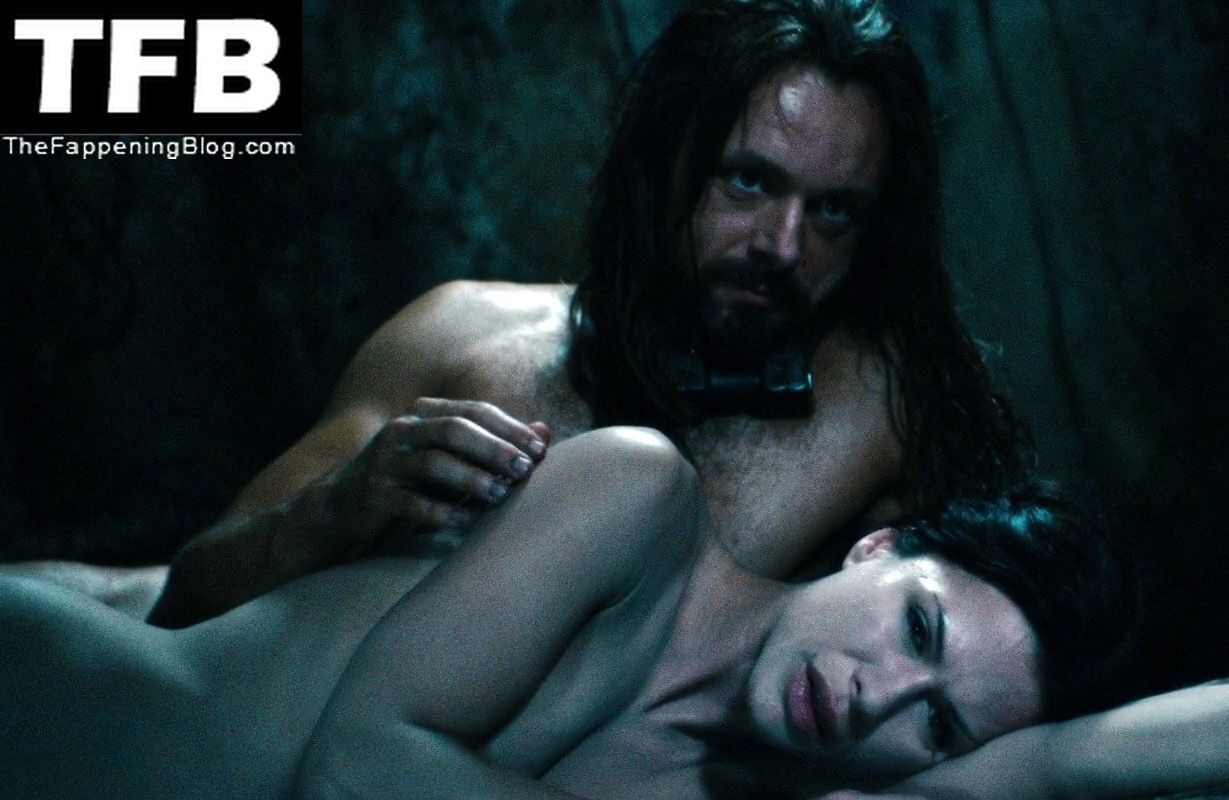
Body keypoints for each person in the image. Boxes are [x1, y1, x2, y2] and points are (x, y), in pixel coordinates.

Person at [0, 428, 1229, 800]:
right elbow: (360, 771)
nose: (883, 703)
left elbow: (1070, 769)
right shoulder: (635, 500)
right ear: (878, 546)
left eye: (937, 725)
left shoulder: (802, 780)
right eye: (916, 635)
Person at [85, 0, 1028, 626]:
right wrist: (343, 505)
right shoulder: (461, 336)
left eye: (832, 213)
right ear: (661, 164)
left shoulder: (884, 407)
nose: (784, 246)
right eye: (747, 181)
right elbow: (188, 601)